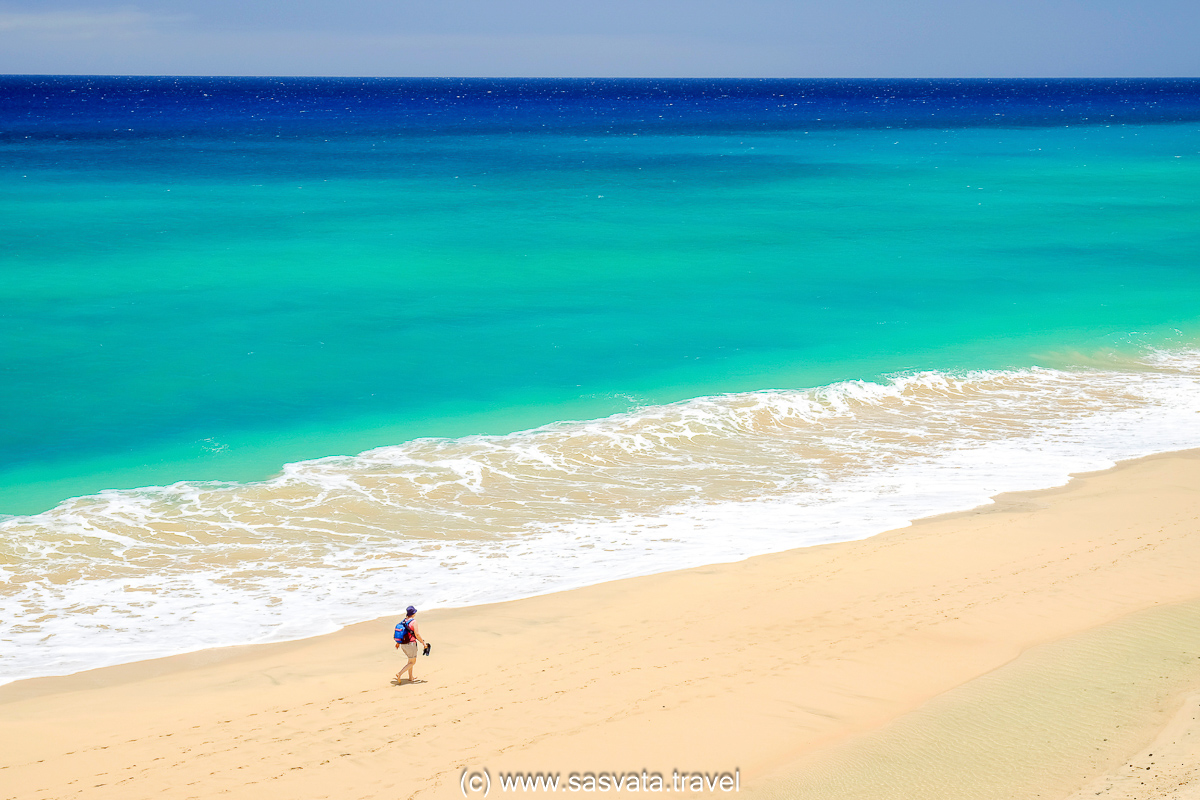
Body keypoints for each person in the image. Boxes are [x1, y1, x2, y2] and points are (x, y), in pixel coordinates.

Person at [394, 605, 428, 684]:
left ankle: (410, 677)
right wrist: (423, 643)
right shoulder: (413, 622)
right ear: (413, 613)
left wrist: (398, 643)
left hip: (403, 644)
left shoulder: (404, 621)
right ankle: (399, 674)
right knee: (412, 662)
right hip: (411, 644)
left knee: (410, 660)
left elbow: (402, 633)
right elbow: (417, 634)